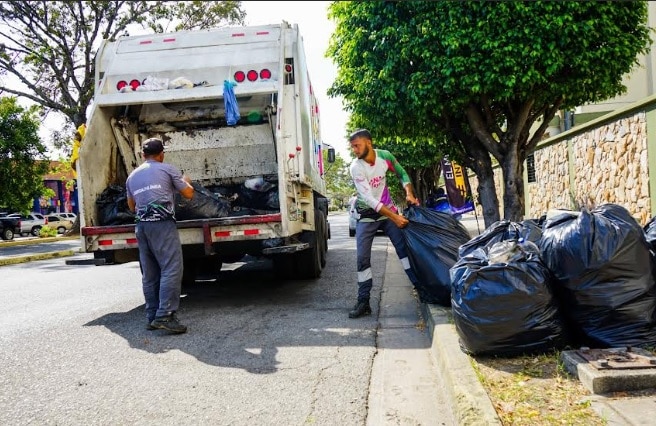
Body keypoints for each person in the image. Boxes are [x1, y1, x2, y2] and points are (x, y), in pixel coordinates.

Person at [348, 129, 421, 318]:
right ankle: (363, 302)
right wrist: (395, 217)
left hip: (387, 213)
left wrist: (409, 193)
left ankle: (422, 290)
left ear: (369, 143)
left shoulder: (385, 156)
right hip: (366, 216)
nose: (354, 150)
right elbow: (370, 199)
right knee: (362, 260)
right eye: (352, 147)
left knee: (404, 251)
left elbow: (402, 173)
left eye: (357, 145)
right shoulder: (356, 167)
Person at [126, 137, 194, 333]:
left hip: (142, 227)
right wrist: (185, 182)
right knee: (171, 268)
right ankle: (165, 315)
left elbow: (131, 206)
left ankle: (152, 317)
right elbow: (188, 194)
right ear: (162, 154)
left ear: (142, 155)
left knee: (150, 274)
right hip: (162, 225)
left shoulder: (132, 176)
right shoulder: (167, 169)